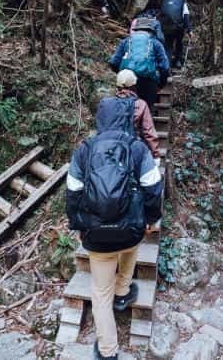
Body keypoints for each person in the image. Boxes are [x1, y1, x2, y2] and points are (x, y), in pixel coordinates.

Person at [66, 95, 163, 360]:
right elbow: (154, 189)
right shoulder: (137, 148)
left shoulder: (84, 149)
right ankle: (123, 291)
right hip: (131, 232)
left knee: (99, 292)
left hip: (96, 236)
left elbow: (73, 192)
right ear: (126, 119)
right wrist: (150, 220)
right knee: (131, 246)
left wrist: (78, 225)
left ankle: (108, 351)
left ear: (100, 118)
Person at [108, 19, 170, 111]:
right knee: (146, 111)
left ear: (136, 30)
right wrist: (160, 83)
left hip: (128, 83)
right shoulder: (156, 43)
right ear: (151, 31)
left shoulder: (125, 42)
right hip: (148, 83)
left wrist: (122, 73)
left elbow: (113, 62)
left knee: (127, 110)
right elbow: (165, 67)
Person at [113, 69, 162, 163]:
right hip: (133, 149)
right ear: (134, 85)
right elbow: (149, 132)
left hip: (112, 150)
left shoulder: (108, 103)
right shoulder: (141, 104)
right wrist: (155, 155)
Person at [160, 0, 193, 69]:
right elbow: (186, 17)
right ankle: (178, 61)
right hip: (178, 27)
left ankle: (167, 65)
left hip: (166, 27)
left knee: (168, 46)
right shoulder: (183, 3)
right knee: (179, 43)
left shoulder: (166, 2)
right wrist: (189, 30)